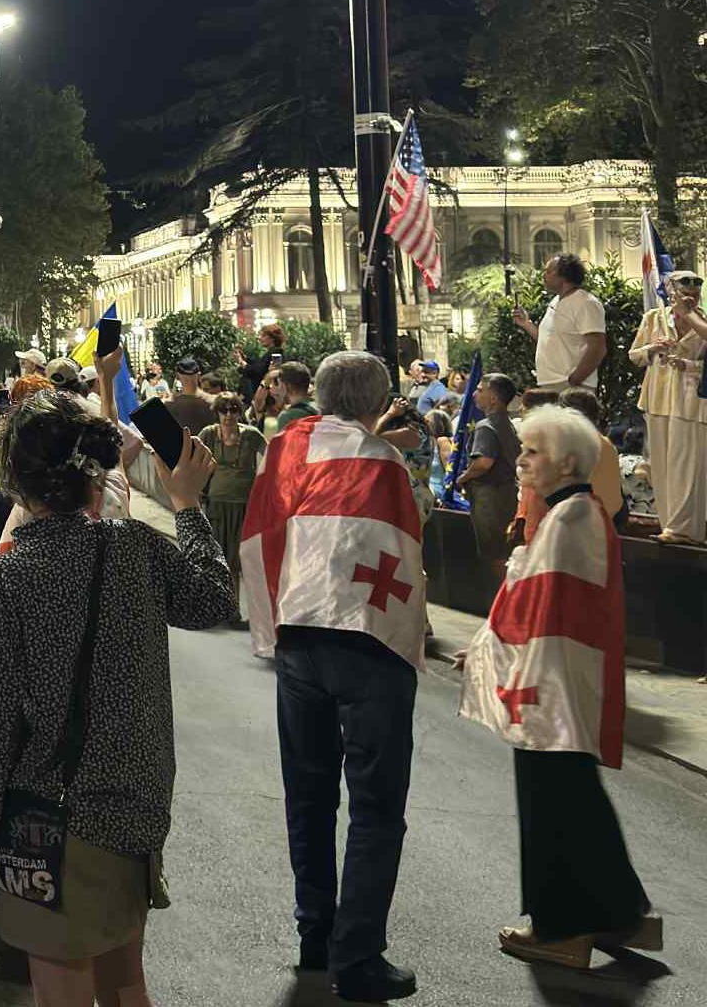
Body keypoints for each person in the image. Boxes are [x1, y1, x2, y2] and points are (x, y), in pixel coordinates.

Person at [0, 390, 232, 1006]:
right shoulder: (133, 549)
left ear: (18, 481)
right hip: (136, 809)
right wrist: (187, 504)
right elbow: (214, 599)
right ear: (94, 476)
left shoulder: (9, 575)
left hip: (50, 819)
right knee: (122, 980)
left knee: (62, 989)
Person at [240, 352, 426, 1003]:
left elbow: (262, 534)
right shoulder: (385, 463)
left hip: (298, 637)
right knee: (376, 808)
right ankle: (359, 956)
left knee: (310, 796)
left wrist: (268, 627)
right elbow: (404, 548)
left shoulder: (285, 450)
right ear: (378, 401)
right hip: (369, 642)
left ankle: (315, 936)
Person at [457, 405, 656, 970]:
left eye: (532, 451)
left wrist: (490, 650)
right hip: (560, 682)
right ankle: (622, 914)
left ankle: (562, 929)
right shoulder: (576, 514)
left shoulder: (570, 520)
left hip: (552, 685)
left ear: (567, 460)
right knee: (576, 797)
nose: (521, 460)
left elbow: (533, 606)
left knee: (553, 803)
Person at [627, 269, 704, 544]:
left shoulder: (704, 322)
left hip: (691, 402)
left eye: (696, 289)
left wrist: (689, 365)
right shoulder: (653, 319)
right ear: (671, 291)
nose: (692, 293)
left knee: (687, 465)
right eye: (685, 288)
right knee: (660, 464)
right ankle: (668, 523)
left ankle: (686, 530)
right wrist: (652, 348)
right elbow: (634, 355)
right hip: (658, 397)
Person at [507, 390, 624, 544]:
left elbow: (539, 494)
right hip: (600, 526)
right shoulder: (606, 445)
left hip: (568, 531)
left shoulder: (568, 445)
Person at [199, 392, 265, 624]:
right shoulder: (208, 434)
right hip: (216, 504)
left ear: (239, 412)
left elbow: (272, 459)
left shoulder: (252, 436)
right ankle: (219, 610)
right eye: (223, 410)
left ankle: (236, 612)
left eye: (233, 410)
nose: (228, 415)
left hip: (245, 505)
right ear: (216, 412)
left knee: (240, 560)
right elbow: (193, 459)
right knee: (218, 560)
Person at [513, 252, 608, 394]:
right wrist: (526, 323)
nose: (543, 275)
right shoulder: (556, 301)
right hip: (551, 385)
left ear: (564, 275)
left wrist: (574, 380)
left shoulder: (585, 303)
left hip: (572, 388)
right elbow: (549, 340)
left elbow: (598, 347)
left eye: (548, 271)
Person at [457, 373, 521, 563]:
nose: (474, 394)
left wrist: (463, 478)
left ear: (493, 398)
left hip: (490, 497)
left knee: (493, 555)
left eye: (479, 390)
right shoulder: (507, 424)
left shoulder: (486, 426)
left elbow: (483, 463)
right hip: (508, 494)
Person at [236, 324, 286, 408]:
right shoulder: (272, 352)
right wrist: (245, 359)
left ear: (272, 338)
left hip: (265, 398)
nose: (260, 338)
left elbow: (258, 371)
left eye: (263, 335)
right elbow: (259, 365)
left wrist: (242, 362)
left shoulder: (275, 353)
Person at [166, 358, 212, 434]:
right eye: (186, 379)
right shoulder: (169, 405)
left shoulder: (211, 402)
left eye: (192, 378)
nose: (189, 382)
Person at [271, 362, 318, 434]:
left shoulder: (288, 417)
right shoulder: (321, 408)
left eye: (279, 384)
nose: (277, 389)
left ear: (288, 386)